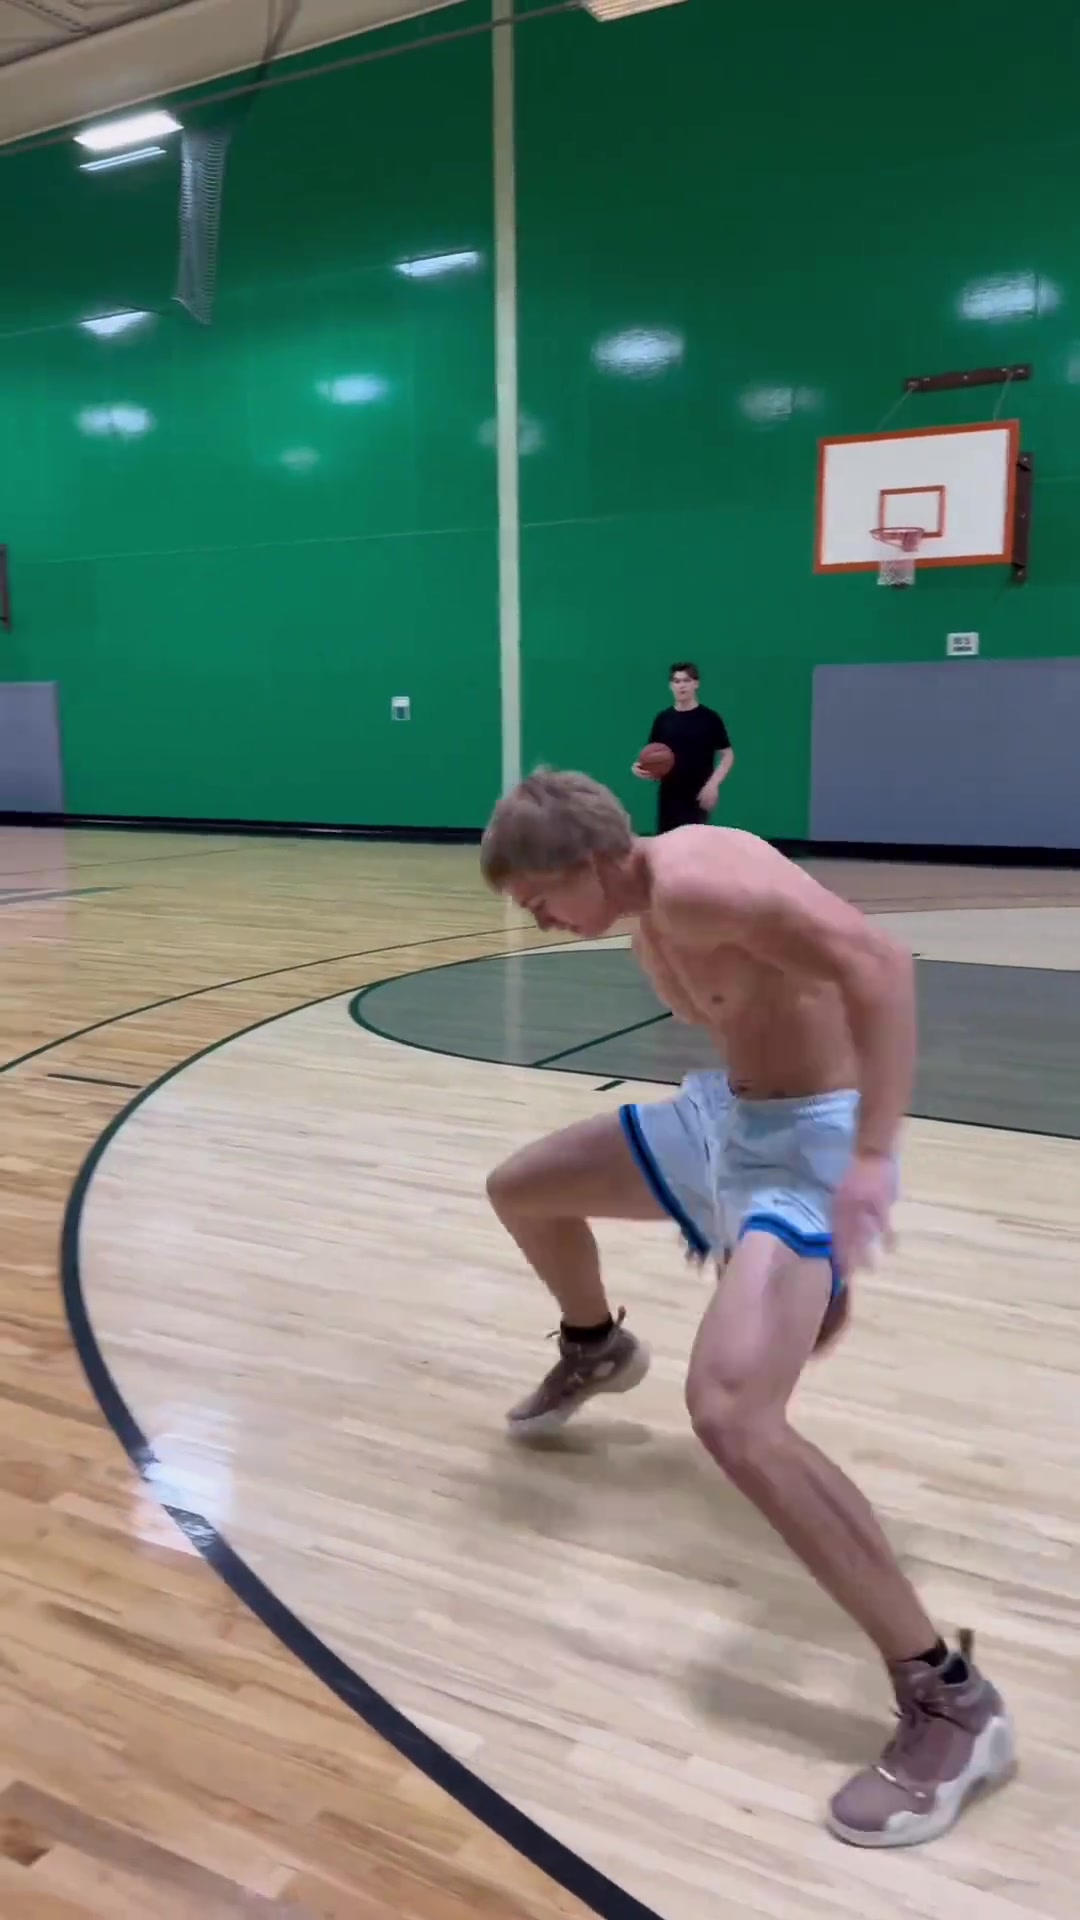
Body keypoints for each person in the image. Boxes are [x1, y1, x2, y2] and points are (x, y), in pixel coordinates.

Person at [480, 770, 1014, 1849]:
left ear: (591, 861)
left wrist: (872, 1156)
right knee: (523, 1190)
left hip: (811, 1145)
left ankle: (952, 1700)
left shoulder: (698, 879)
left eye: (540, 899)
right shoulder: (645, 911)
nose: (538, 921)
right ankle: (596, 1344)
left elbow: (881, 963)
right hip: (730, 1127)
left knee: (732, 1413)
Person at [635, 662, 734, 833]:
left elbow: (728, 755)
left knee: (694, 845)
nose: (681, 685)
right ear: (671, 686)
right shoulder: (663, 719)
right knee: (667, 845)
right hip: (669, 797)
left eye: (686, 681)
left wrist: (713, 784)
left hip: (698, 796)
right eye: (677, 681)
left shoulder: (710, 718)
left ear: (696, 684)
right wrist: (640, 768)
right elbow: (652, 756)